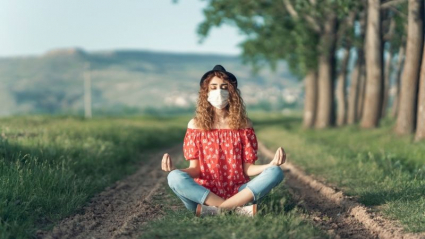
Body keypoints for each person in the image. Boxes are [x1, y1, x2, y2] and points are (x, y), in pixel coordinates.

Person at [161, 65, 286, 217]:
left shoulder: (244, 125)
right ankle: (237, 211)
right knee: (173, 177)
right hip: (204, 195)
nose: (219, 92)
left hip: (239, 193)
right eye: (213, 87)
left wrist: (270, 165)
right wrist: (176, 170)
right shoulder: (195, 125)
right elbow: (196, 170)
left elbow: (248, 169)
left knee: (276, 172)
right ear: (206, 92)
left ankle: (218, 211)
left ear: (232, 92)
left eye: (224, 87)